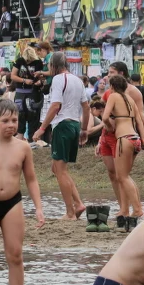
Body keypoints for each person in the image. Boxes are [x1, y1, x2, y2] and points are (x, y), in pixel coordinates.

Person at [0, 99, 44, 285]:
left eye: (14, 120)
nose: (11, 125)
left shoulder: (23, 147)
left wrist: (38, 207)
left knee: (15, 255)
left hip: (13, 203)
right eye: (5, 121)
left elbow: (31, 179)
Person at [32, 51, 88, 220]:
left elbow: (56, 105)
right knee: (57, 169)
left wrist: (41, 128)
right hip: (74, 124)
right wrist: (84, 130)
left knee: (60, 170)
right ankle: (78, 204)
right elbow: (86, 107)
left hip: (62, 125)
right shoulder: (78, 80)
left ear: (53, 66)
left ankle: (70, 212)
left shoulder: (57, 79)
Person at [102, 74, 144, 223]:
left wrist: (109, 126)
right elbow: (139, 121)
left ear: (112, 87)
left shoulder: (113, 96)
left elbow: (105, 117)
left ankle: (138, 209)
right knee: (125, 176)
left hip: (124, 139)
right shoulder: (130, 99)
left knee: (122, 177)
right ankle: (128, 209)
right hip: (135, 138)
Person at [10, 42, 46, 140]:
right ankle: (21, 137)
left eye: (31, 60)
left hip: (33, 92)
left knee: (33, 116)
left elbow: (42, 77)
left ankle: (31, 139)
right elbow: (13, 76)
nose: (29, 62)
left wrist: (39, 82)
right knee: (20, 116)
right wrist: (24, 80)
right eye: (27, 60)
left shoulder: (38, 62)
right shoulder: (19, 61)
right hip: (21, 92)